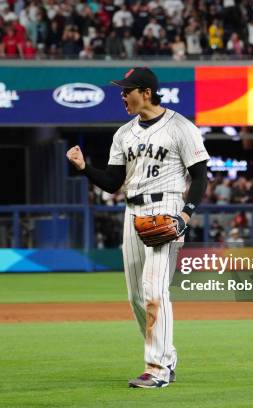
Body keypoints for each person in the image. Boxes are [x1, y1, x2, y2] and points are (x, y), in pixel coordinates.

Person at [66, 67, 209, 388]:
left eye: (126, 90)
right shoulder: (123, 134)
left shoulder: (180, 127)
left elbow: (201, 176)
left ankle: (157, 369)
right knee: (137, 297)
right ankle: (167, 356)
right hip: (133, 212)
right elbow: (112, 182)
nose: (122, 95)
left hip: (167, 209)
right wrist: (85, 168)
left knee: (155, 291)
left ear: (146, 92)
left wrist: (184, 216)